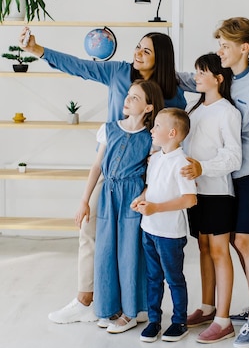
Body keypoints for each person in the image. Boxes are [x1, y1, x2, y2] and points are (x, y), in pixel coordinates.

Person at [19, 28, 186, 325]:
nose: (137, 53)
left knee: (136, 243)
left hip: (146, 180)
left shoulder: (171, 92)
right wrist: (38, 50)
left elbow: (177, 133)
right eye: (138, 47)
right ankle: (87, 298)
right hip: (109, 172)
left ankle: (135, 306)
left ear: (160, 59)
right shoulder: (119, 73)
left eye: (146, 51)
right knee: (90, 229)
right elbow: (81, 67)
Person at [177, 17, 249, 348]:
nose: (219, 50)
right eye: (219, 45)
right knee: (230, 244)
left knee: (245, 243)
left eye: (224, 46)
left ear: (244, 48)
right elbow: (191, 79)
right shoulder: (223, 77)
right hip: (225, 178)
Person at [81, 79, 165, 334]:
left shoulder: (151, 139)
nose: (127, 100)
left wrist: (144, 196)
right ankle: (110, 308)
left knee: (130, 254)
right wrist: (84, 201)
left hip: (133, 199)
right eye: (128, 95)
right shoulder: (109, 129)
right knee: (106, 251)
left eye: (135, 98)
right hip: (108, 194)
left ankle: (131, 312)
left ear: (149, 107)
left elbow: (155, 174)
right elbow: (97, 167)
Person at [180, 53, 242, 344]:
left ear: (218, 79)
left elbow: (233, 156)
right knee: (204, 247)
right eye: (195, 72)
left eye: (202, 72)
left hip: (217, 192)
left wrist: (203, 167)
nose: (196, 77)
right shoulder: (195, 109)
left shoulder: (227, 112)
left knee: (219, 251)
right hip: (197, 192)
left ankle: (223, 319)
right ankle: (207, 307)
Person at [131, 108, 197, 343]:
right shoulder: (156, 158)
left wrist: (156, 208)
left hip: (169, 233)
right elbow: (151, 187)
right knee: (153, 278)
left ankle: (180, 321)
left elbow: (190, 199)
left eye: (157, 125)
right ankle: (154, 321)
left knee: (174, 278)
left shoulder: (182, 163)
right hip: (149, 229)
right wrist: (141, 197)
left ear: (172, 132)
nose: (152, 129)